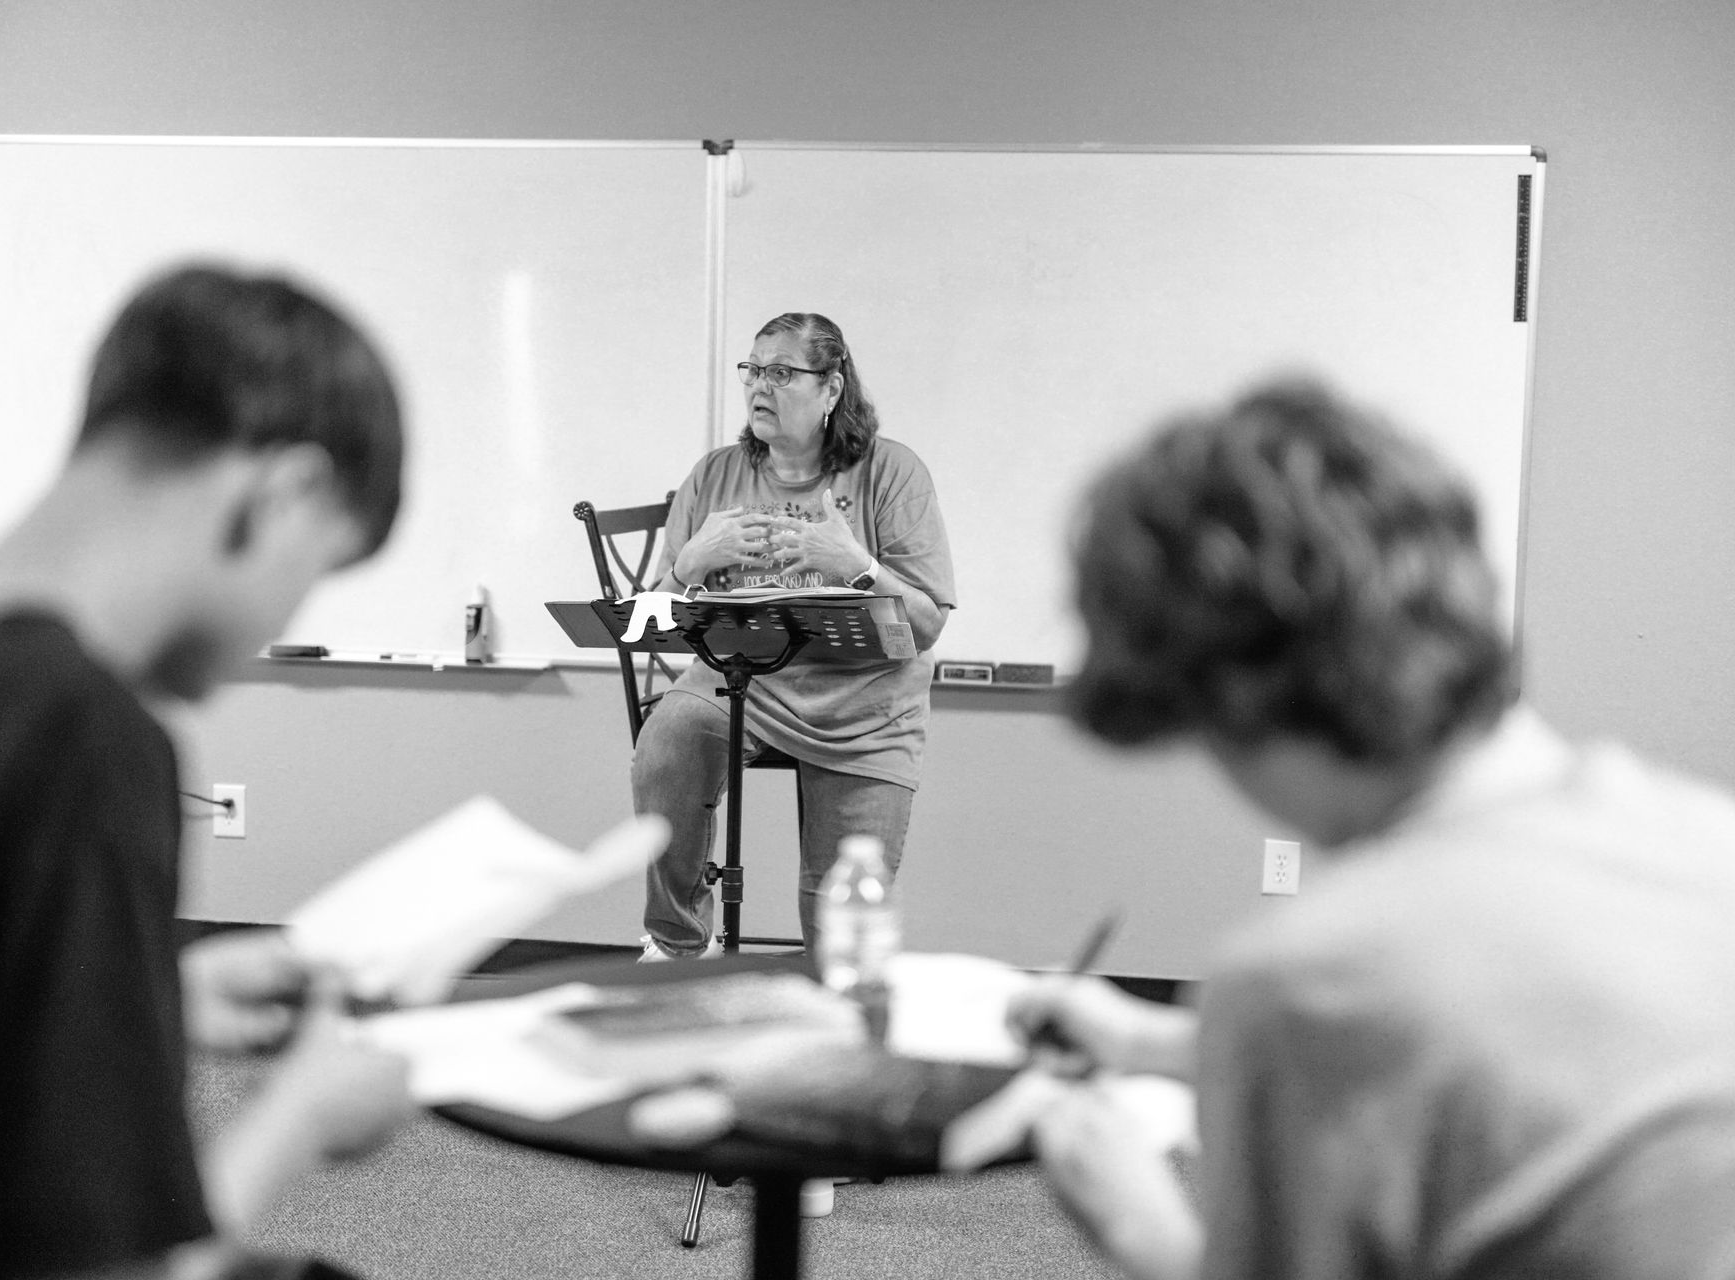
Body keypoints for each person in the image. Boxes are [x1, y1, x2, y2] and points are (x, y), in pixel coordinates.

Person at [1010, 380, 1735, 1280]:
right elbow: (1512, 1057)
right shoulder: (1704, 843)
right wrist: (1146, 1045)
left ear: (1230, 694)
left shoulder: (1310, 980)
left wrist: (1140, 1228)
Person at [0, 264, 418, 1280]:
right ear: (284, 492)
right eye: (315, 571)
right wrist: (299, 1115)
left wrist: (145, 1005)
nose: (286, 622)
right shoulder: (69, 733)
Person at [633, 312, 955, 958]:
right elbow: (649, 624)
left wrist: (859, 569)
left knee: (838, 945)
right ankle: (674, 941)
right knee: (668, 735)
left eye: (781, 372)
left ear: (832, 389)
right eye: (753, 370)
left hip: (865, 704)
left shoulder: (894, 473)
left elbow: (926, 624)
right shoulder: (714, 475)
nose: (759, 386)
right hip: (736, 681)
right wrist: (690, 563)